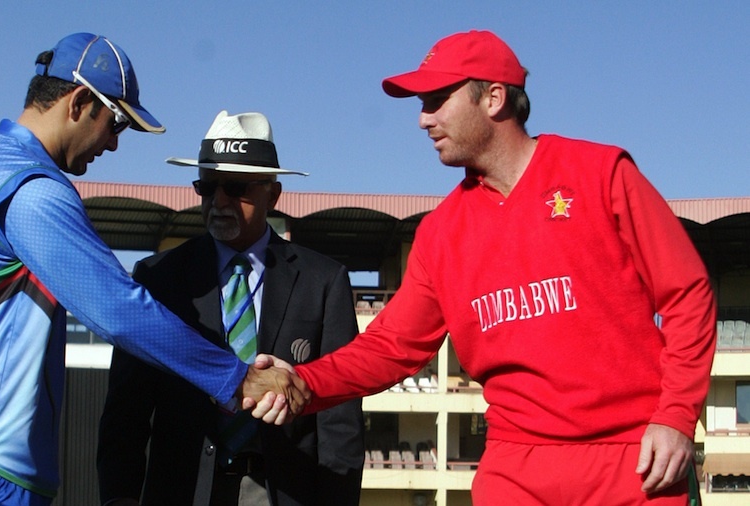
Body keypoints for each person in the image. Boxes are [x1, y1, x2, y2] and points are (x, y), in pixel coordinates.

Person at [256, 30, 717, 505]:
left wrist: (676, 416)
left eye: (436, 99)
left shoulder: (601, 173)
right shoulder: (441, 232)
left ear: (494, 97)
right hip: (513, 469)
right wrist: (306, 382)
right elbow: (391, 347)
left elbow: (688, 294)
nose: (422, 119)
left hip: (634, 461)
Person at [0, 34, 294, 505]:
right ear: (79, 102)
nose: (113, 143)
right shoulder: (31, 189)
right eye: (116, 124)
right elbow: (118, 309)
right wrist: (237, 378)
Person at [97, 110, 365, 506]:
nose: (219, 201)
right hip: (182, 491)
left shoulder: (322, 281)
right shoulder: (159, 278)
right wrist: (119, 499)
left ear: (272, 195)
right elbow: (126, 411)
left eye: (236, 187)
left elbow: (341, 423)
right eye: (207, 188)